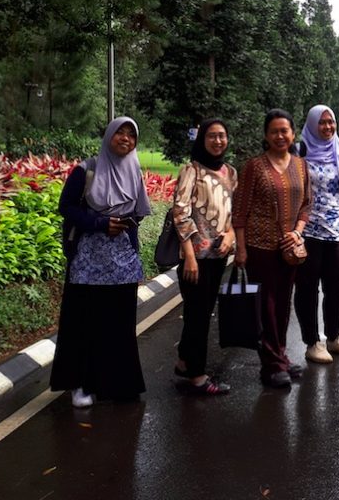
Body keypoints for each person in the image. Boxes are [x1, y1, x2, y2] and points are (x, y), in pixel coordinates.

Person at [51, 117, 151, 408]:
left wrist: (125, 223)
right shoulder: (87, 170)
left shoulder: (134, 172)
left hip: (122, 259)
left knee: (118, 324)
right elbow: (66, 207)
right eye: (119, 132)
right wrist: (99, 222)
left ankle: (118, 383)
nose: (125, 139)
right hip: (88, 259)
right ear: (109, 136)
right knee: (85, 322)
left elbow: (139, 211)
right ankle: (81, 383)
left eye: (131, 135)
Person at [232, 109, 312, 389]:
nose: (280, 136)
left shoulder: (301, 166)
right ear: (266, 136)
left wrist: (297, 233)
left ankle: (280, 355)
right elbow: (240, 211)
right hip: (259, 245)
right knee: (266, 304)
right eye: (274, 131)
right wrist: (240, 249)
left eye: (285, 130)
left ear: (293, 134)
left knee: (283, 303)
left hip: (289, 248)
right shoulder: (255, 166)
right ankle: (272, 365)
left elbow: (306, 206)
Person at [171, 118, 236, 395]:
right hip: (195, 258)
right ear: (202, 139)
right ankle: (197, 377)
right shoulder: (192, 170)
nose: (218, 140)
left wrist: (231, 237)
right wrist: (189, 255)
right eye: (212, 136)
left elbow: (234, 213)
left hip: (218, 256)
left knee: (200, 313)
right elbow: (180, 211)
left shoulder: (230, 173)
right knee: (197, 316)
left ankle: (186, 363)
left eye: (222, 136)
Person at [294, 104, 339, 364]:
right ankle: (312, 342)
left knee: (338, 288)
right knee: (307, 289)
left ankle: (334, 337)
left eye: (331, 122)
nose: (327, 127)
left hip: (336, 233)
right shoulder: (299, 152)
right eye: (322, 123)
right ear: (312, 125)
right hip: (306, 232)